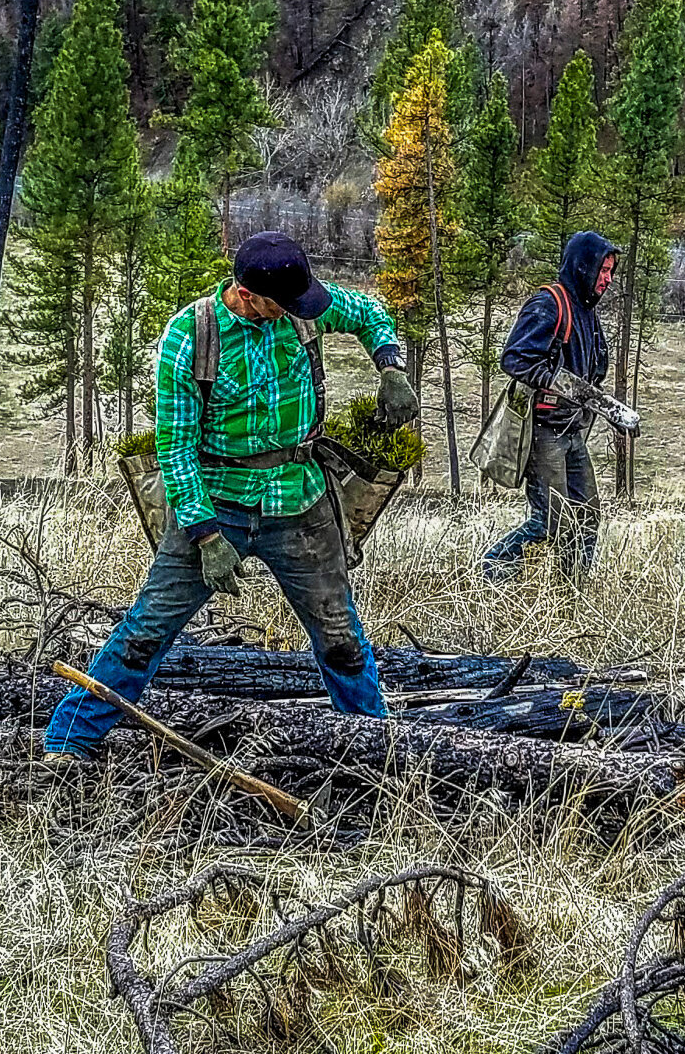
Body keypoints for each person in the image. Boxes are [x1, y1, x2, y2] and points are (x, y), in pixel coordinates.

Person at [43, 231, 420, 760]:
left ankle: (376, 750)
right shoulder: (189, 336)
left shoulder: (301, 304)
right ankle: (67, 744)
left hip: (300, 498)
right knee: (147, 631)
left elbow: (368, 311)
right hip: (215, 501)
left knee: (341, 637)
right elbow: (175, 449)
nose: (293, 312)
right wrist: (205, 535)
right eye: (279, 305)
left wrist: (391, 367)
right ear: (246, 293)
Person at [483, 230, 623, 582]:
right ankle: (492, 570)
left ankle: (570, 590)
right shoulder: (549, 304)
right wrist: (560, 383)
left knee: (587, 516)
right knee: (550, 520)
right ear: (583, 267)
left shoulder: (586, 311)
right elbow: (514, 358)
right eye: (602, 271)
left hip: (572, 430)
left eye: (610, 272)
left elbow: (596, 366)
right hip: (544, 431)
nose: (607, 279)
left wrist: (600, 403)